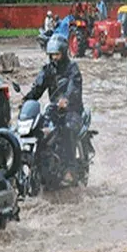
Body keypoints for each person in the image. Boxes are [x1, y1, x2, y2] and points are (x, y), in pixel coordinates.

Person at [26, 34, 84, 181]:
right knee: (39, 129)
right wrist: (26, 100)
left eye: (57, 54)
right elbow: (38, 87)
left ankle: (70, 168)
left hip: (72, 110)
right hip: (53, 110)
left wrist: (66, 99)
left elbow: (74, 87)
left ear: (64, 53)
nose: (54, 58)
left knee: (68, 129)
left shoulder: (72, 69)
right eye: (52, 55)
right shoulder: (48, 69)